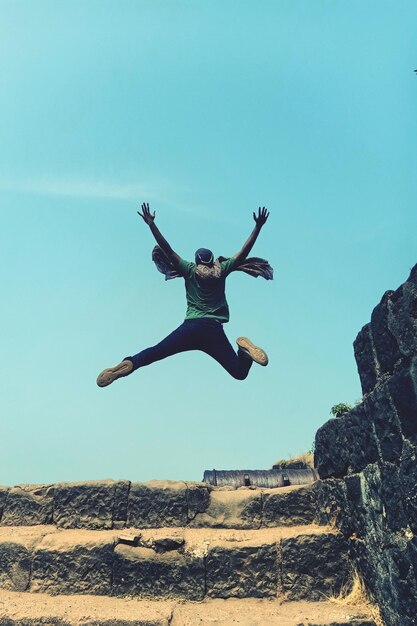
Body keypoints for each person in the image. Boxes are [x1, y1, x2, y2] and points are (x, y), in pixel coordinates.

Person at [96, 203, 271, 387]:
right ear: (212, 261)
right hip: (213, 330)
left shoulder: (189, 270)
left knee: (156, 352)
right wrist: (258, 226)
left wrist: (151, 224)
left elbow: (167, 249)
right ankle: (244, 353)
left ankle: (131, 364)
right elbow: (243, 253)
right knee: (239, 373)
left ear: (197, 261)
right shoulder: (222, 269)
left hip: (191, 328)